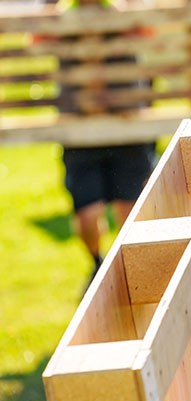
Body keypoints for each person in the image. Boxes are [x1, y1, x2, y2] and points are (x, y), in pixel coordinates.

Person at [34, 0, 157, 279]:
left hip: (126, 130)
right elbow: (36, 38)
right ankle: (98, 262)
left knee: (130, 211)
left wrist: (123, 19)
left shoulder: (123, 15)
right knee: (87, 215)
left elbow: (152, 33)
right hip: (81, 134)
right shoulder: (64, 17)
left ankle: (129, 269)